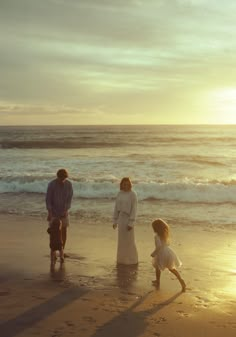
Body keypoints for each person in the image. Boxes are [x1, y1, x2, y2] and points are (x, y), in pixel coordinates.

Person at [150, 218, 186, 292]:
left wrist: (153, 253)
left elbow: (159, 246)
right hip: (168, 252)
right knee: (171, 268)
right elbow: (166, 244)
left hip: (161, 253)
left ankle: (158, 281)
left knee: (157, 267)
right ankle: (180, 279)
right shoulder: (165, 235)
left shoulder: (156, 236)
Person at [46, 169, 73, 256]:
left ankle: (62, 250)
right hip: (53, 212)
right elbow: (48, 199)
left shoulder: (69, 184)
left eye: (64, 178)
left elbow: (69, 199)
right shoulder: (52, 184)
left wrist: (66, 210)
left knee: (64, 231)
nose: (62, 180)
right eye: (60, 178)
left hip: (64, 211)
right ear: (57, 177)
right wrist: (49, 212)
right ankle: (53, 250)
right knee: (53, 232)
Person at [113, 177, 138, 265]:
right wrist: (115, 221)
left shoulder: (133, 194)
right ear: (121, 184)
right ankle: (122, 260)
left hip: (128, 219)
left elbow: (134, 209)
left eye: (127, 184)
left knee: (129, 241)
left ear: (130, 184)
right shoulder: (119, 193)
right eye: (124, 184)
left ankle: (132, 260)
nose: (126, 185)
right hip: (121, 219)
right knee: (121, 241)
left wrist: (131, 222)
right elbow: (116, 208)